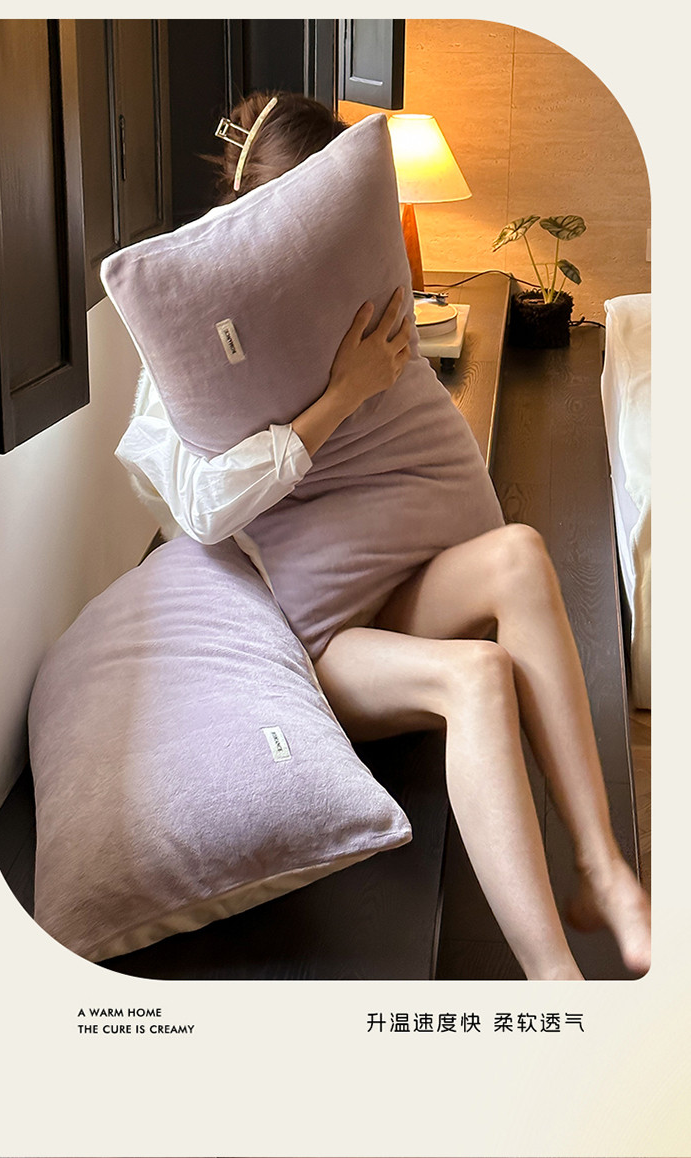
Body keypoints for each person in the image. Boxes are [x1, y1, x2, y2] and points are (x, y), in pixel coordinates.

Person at [116, 91, 651, 981]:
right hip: (321, 644)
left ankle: (602, 871)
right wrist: (339, 398)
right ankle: (553, 980)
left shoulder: (350, 294)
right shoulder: (186, 335)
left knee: (520, 553)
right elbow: (204, 510)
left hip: (397, 586)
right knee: (475, 675)